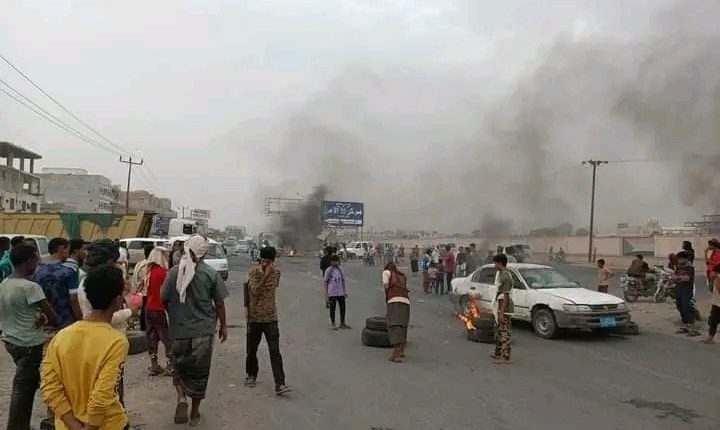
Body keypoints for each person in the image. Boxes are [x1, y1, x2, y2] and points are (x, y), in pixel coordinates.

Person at [41, 264, 130, 430]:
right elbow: (103, 392)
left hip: (67, 425)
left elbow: (49, 387)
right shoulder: (116, 341)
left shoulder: (61, 337)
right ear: (117, 300)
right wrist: (90, 426)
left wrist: (73, 424)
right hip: (108, 425)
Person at [162, 235, 229, 425]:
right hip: (203, 334)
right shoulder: (210, 274)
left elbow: (163, 299)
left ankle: (181, 397)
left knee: (179, 367)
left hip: (179, 333)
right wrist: (223, 326)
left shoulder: (174, 273)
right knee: (199, 373)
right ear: (204, 252)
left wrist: (175, 316)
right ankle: (194, 414)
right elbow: (219, 303)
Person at [0, 244, 58, 430]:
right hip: (29, 344)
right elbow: (53, 317)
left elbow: (16, 312)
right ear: (28, 262)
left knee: (27, 383)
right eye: (36, 260)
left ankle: (21, 425)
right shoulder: (31, 287)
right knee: (22, 389)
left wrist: (37, 319)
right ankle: (16, 426)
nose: (38, 263)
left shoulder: (4, 284)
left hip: (10, 340)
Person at [77, 239, 139, 406]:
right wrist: (130, 311)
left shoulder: (88, 282)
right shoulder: (93, 285)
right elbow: (100, 315)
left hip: (101, 338)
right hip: (107, 341)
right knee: (111, 387)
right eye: (115, 262)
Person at [245, 246, 291, 395]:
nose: (267, 264)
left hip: (271, 317)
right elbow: (254, 290)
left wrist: (270, 273)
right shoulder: (253, 273)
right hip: (255, 317)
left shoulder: (276, 273)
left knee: (275, 351)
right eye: (265, 261)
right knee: (252, 350)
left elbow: (273, 287)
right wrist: (264, 275)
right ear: (260, 261)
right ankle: (251, 375)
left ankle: (280, 383)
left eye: (269, 262)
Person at [34, 238, 82, 336]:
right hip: (65, 318)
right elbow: (73, 298)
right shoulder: (70, 269)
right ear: (61, 249)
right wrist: (80, 317)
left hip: (44, 319)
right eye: (67, 250)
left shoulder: (37, 268)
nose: (68, 253)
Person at [145, 247, 173, 376]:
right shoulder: (163, 273)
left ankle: (154, 364)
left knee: (152, 337)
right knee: (166, 337)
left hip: (149, 308)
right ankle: (171, 364)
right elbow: (166, 294)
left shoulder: (149, 271)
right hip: (159, 308)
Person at [383, 261, 410, 363]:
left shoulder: (386, 273)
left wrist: (387, 297)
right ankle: (401, 351)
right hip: (406, 302)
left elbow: (386, 286)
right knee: (403, 325)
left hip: (394, 301)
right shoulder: (402, 276)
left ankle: (396, 353)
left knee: (394, 325)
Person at [491, 254, 513, 364]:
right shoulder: (500, 274)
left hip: (504, 307)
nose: (494, 265)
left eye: (495, 263)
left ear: (500, 263)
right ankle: (498, 353)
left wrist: (502, 312)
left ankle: (505, 357)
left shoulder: (506, 276)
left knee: (505, 332)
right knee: (498, 331)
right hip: (498, 305)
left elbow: (506, 296)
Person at [672, 251, 699, 336]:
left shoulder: (690, 268)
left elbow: (687, 278)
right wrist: (675, 277)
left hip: (686, 291)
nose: (679, 260)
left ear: (686, 259)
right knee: (680, 307)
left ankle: (692, 327)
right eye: (678, 259)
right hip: (678, 290)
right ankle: (685, 325)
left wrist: (678, 277)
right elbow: (673, 276)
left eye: (681, 259)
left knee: (687, 308)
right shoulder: (679, 267)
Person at [131, 245, 154, 331]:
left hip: (139, 291)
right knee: (146, 309)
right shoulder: (149, 265)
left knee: (144, 310)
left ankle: (143, 326)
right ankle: (145, 327)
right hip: (146, 291)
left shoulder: (139, 263)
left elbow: (135, 277)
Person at [324, 255, 350, 330]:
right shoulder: (329, 270)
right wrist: (326, 295)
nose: (335, 263)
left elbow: (343, 280)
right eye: (333, 261)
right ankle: (333, 323)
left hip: (340, 292)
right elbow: (326, 282)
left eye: (336, 261)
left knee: (343, 308)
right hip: (332, 292)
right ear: (331, 262)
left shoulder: (340, 270)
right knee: (332, 308)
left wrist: (344, 291)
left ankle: (342, 323)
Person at [702, 264, 720, 344]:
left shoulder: (718, 278)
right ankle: (710, 338)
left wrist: (716, 279)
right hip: (716, 303)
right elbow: (711, 290)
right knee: (713, 321)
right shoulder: (715, 278)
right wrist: (711, 280)